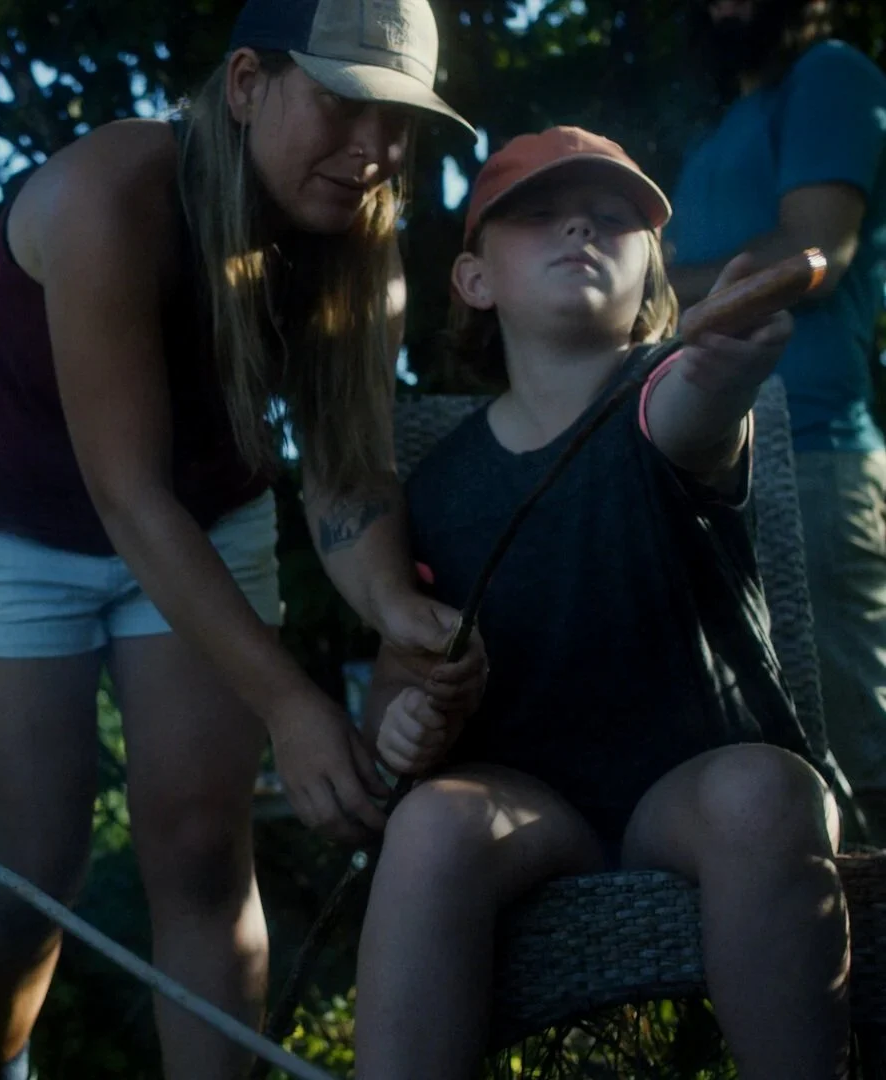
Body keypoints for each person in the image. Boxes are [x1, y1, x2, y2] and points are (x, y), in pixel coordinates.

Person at [0, 1, 484, 1075]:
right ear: (247, 84)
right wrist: (291, 706)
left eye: (398, 121)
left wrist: (396, 608)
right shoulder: (106, 194)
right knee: (38, 863)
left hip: (204, 515)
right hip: (9, 528)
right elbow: (127, 494)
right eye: (343, 102)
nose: (374, 150)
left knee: (204, 853)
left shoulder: (360, 248)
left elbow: (345, 475)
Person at [354, 127, 849, 1079]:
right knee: (428, 822)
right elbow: (395, 685)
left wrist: (722, 369)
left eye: (614, 218)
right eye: (535, 213)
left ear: (654, 276)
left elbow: (692, 410)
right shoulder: (434, 489)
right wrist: (402, 726)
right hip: (534, 802)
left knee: (765, 791)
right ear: (472, 282)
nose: (578, 223)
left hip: (693, 783)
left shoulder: (658, 393)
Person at [667, 0, 886, 830]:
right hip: (714, 473)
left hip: (816, 456)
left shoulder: (832, 74)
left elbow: (814, 253)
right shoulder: (722, 128)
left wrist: (643, 289)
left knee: (860, 758)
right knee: (761, 767)